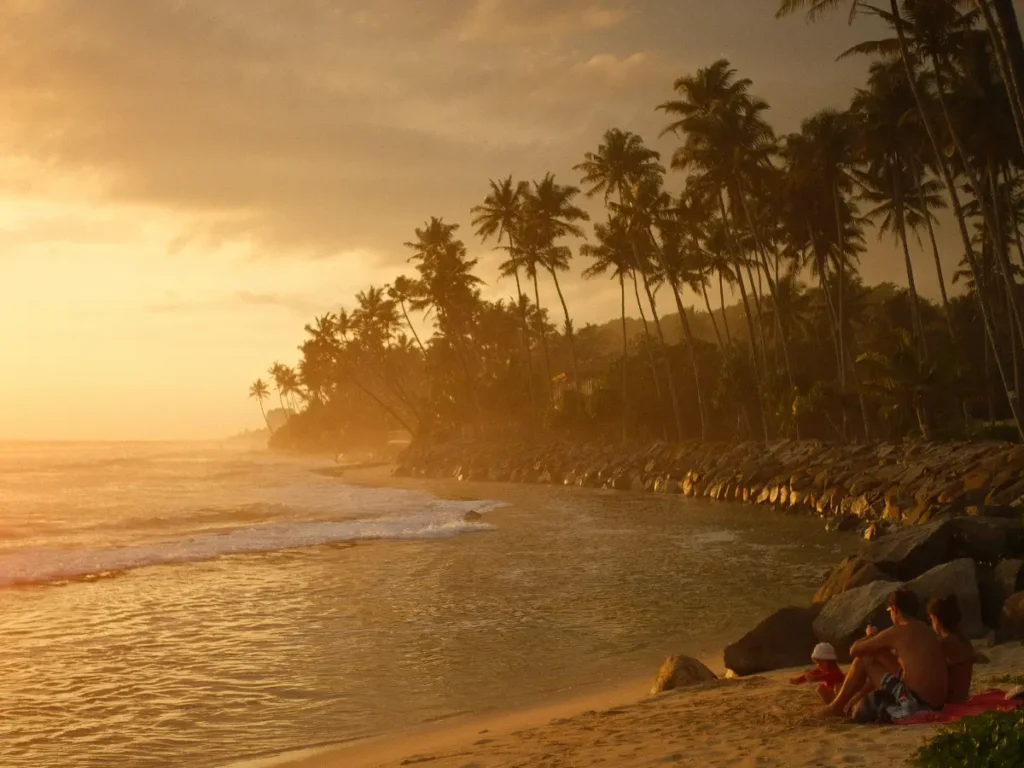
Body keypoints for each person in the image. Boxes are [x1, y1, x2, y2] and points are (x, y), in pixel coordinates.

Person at [819, 589, 948, 722]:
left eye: (890, 611)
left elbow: (854, 650)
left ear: (895, 610)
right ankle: (847, 703)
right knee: (876, 654)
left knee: (865, 658)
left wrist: (870, 636)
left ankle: (837, 706)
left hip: (913, 701)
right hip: (936, 702)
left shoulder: (897, 631)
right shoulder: (925, 628)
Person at [927, 594, 974, 703]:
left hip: (951, 700)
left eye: (930, 619)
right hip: (961, 696)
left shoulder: (946, 643)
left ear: (936, 619)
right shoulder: (962, 639)